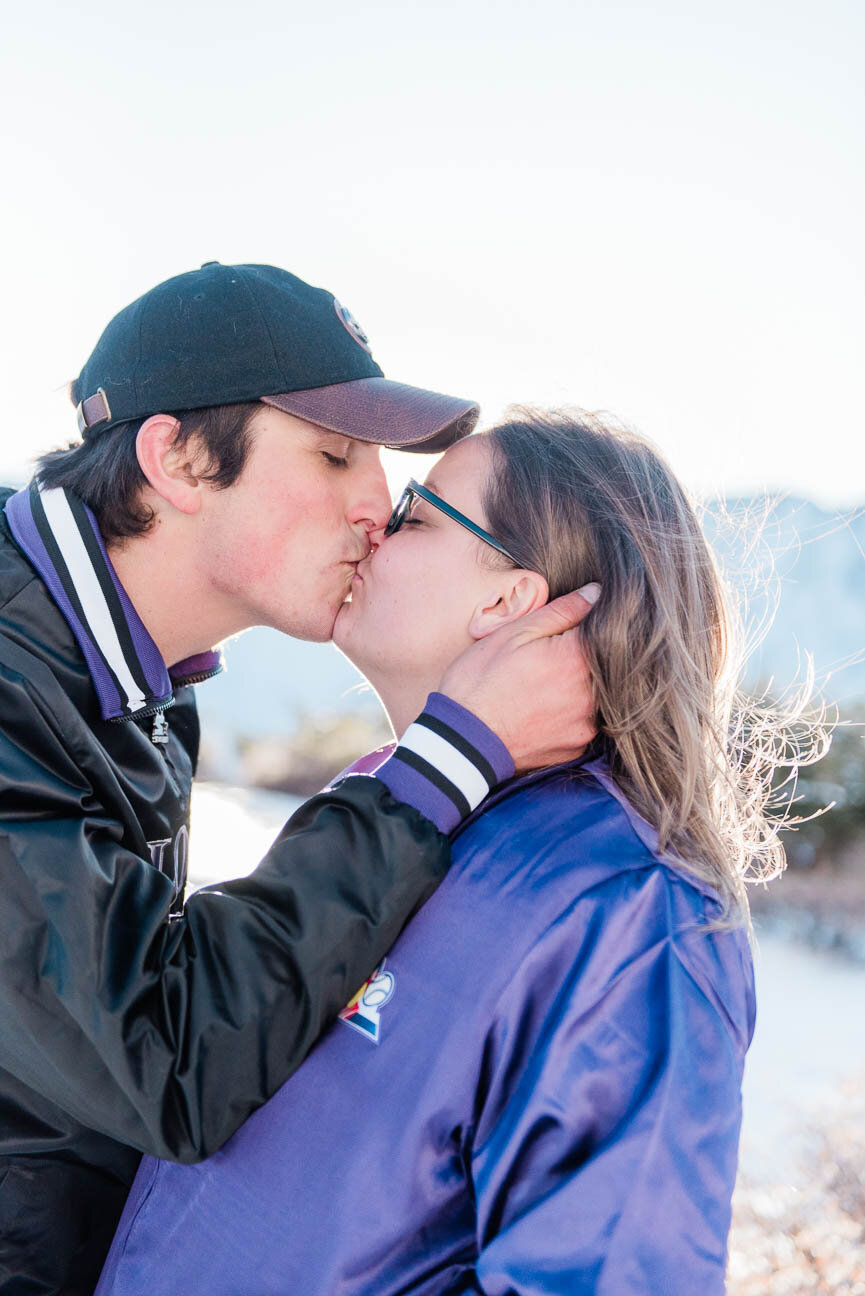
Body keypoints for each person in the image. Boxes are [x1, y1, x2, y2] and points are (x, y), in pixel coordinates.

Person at [0, 266, 597, 1295]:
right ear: (178, 457)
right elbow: (163, 1057)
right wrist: (443, 766)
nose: (378, 505)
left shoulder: (140, 688)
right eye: (332, 454)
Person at [96, 409, 768, 1295]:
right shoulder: (392, 813)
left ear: (506, 600)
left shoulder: (629, 911)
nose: (372, 521)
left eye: (415, 513)